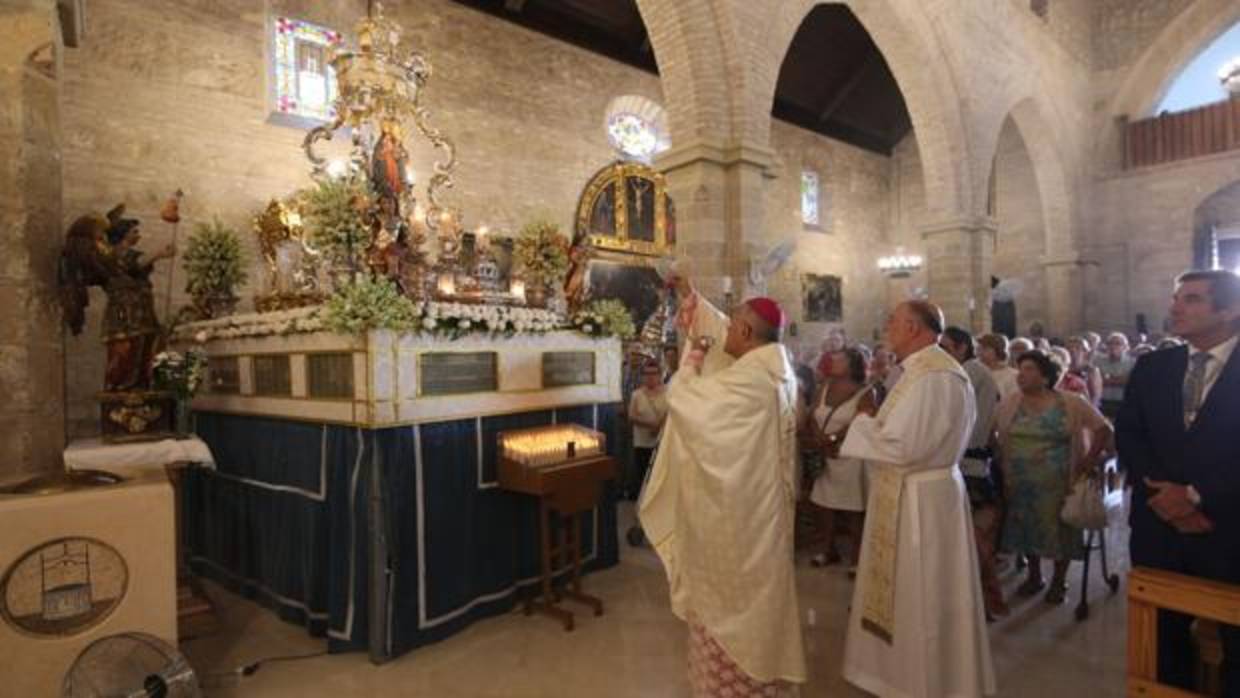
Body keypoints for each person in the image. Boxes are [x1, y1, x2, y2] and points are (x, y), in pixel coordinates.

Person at [639, 274, 806, 695]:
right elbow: (720, 331)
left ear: (748, 332)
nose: (725, 332)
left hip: (741, 521)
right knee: (760, 606)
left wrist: (692, 358)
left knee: (732, 610)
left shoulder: (751, 380)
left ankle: (729, 687)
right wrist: (689, 297)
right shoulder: (777, 369)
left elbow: (688, 402)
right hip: (765, 511)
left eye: (733, 326)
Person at [836, 301, 995, 698]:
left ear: (912, 327)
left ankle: (925, 682)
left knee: (922, 592)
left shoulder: (934, 377)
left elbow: (905, 445)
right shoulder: (919, 371)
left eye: (892, 320)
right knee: (908, 592)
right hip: (910, 492)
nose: (886, 326)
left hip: (922, 500)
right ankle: (895, 675)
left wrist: (863, 420)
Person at [1118, 270, 1240, 696]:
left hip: (1226, 527)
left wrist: (1195, 497)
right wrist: (1165, 499)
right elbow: (1130, 435)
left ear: (1229, 309)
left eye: (1191, 299)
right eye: (1176, 298)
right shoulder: (1154, 365)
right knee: (1161, 644)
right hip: (1158, 527)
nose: (1175, 307)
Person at [996, 351, 1114, 605]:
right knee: (1026, 528)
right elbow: (997, 435)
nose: (1021, 375)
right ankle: (1035, 575)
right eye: (1020, 369)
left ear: (1045, 376)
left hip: (1060, 479)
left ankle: (1059, 581)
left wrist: (1089, 458)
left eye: (1028, 369)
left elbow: (1104, 428)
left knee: (1061, 530)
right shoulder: (1010, 403)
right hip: (1020, 480)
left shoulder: (1071, 402)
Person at [941, 327, 1006, 619]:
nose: (940, 352)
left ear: (961, 348)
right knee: (968, 538)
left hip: (970, 463)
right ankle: (977, 597)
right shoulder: (960, 370)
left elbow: (969, 424)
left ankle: (989, 595)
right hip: (961, 461)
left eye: (946, 346)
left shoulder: (972, 372)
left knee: (977, 537)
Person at [805, 346, 877, 570]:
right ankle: (828, 550)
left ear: (852, 365)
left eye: (839, 359)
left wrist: (834, 438)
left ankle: (857, 559)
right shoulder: (825, 385)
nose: (833, 361)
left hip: (851, 456)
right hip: (826, 453)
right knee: (824, 504)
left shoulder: (865, 391)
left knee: (853, 507)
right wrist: (820, 438)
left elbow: (862, 419)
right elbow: (814, 413)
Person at [626, 361, 668, 500]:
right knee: (644, 476)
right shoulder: (636, 394)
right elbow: (631, 416)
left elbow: (671, 413)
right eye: (647, 374)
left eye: (654, 373)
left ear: (660, 375)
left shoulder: (668, 392)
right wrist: (650, 424)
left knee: (661, 477)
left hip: (662, 443)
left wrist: (659, 426)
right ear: (643, 376)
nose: (650, 377)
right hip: (642, 443)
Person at [1097, 332, 1134, 419]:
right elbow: (1097, 380)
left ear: (1126, 347)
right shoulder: (1098, 361)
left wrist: (1107, 378)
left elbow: (1128, 381)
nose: (1113, 346)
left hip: (1123, 402)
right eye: (1110, 343)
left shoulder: (1132, 363)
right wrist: (1119, 379)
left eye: (1118, 343)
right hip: (1102, 402)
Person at [978, 333, 1019, 402]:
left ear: (998, 350)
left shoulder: (1013, 375)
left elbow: (1013, 400)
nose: (980, 353)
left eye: (985, 349)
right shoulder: (978, 372)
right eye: (979, 349)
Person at [1065, 336, 1104, 406]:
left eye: (1077, 348)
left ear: (1085, 352)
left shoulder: (1091, 370)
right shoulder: (1063, 369)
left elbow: (1096, 396)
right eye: (1069, 348)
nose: (1072, 350)